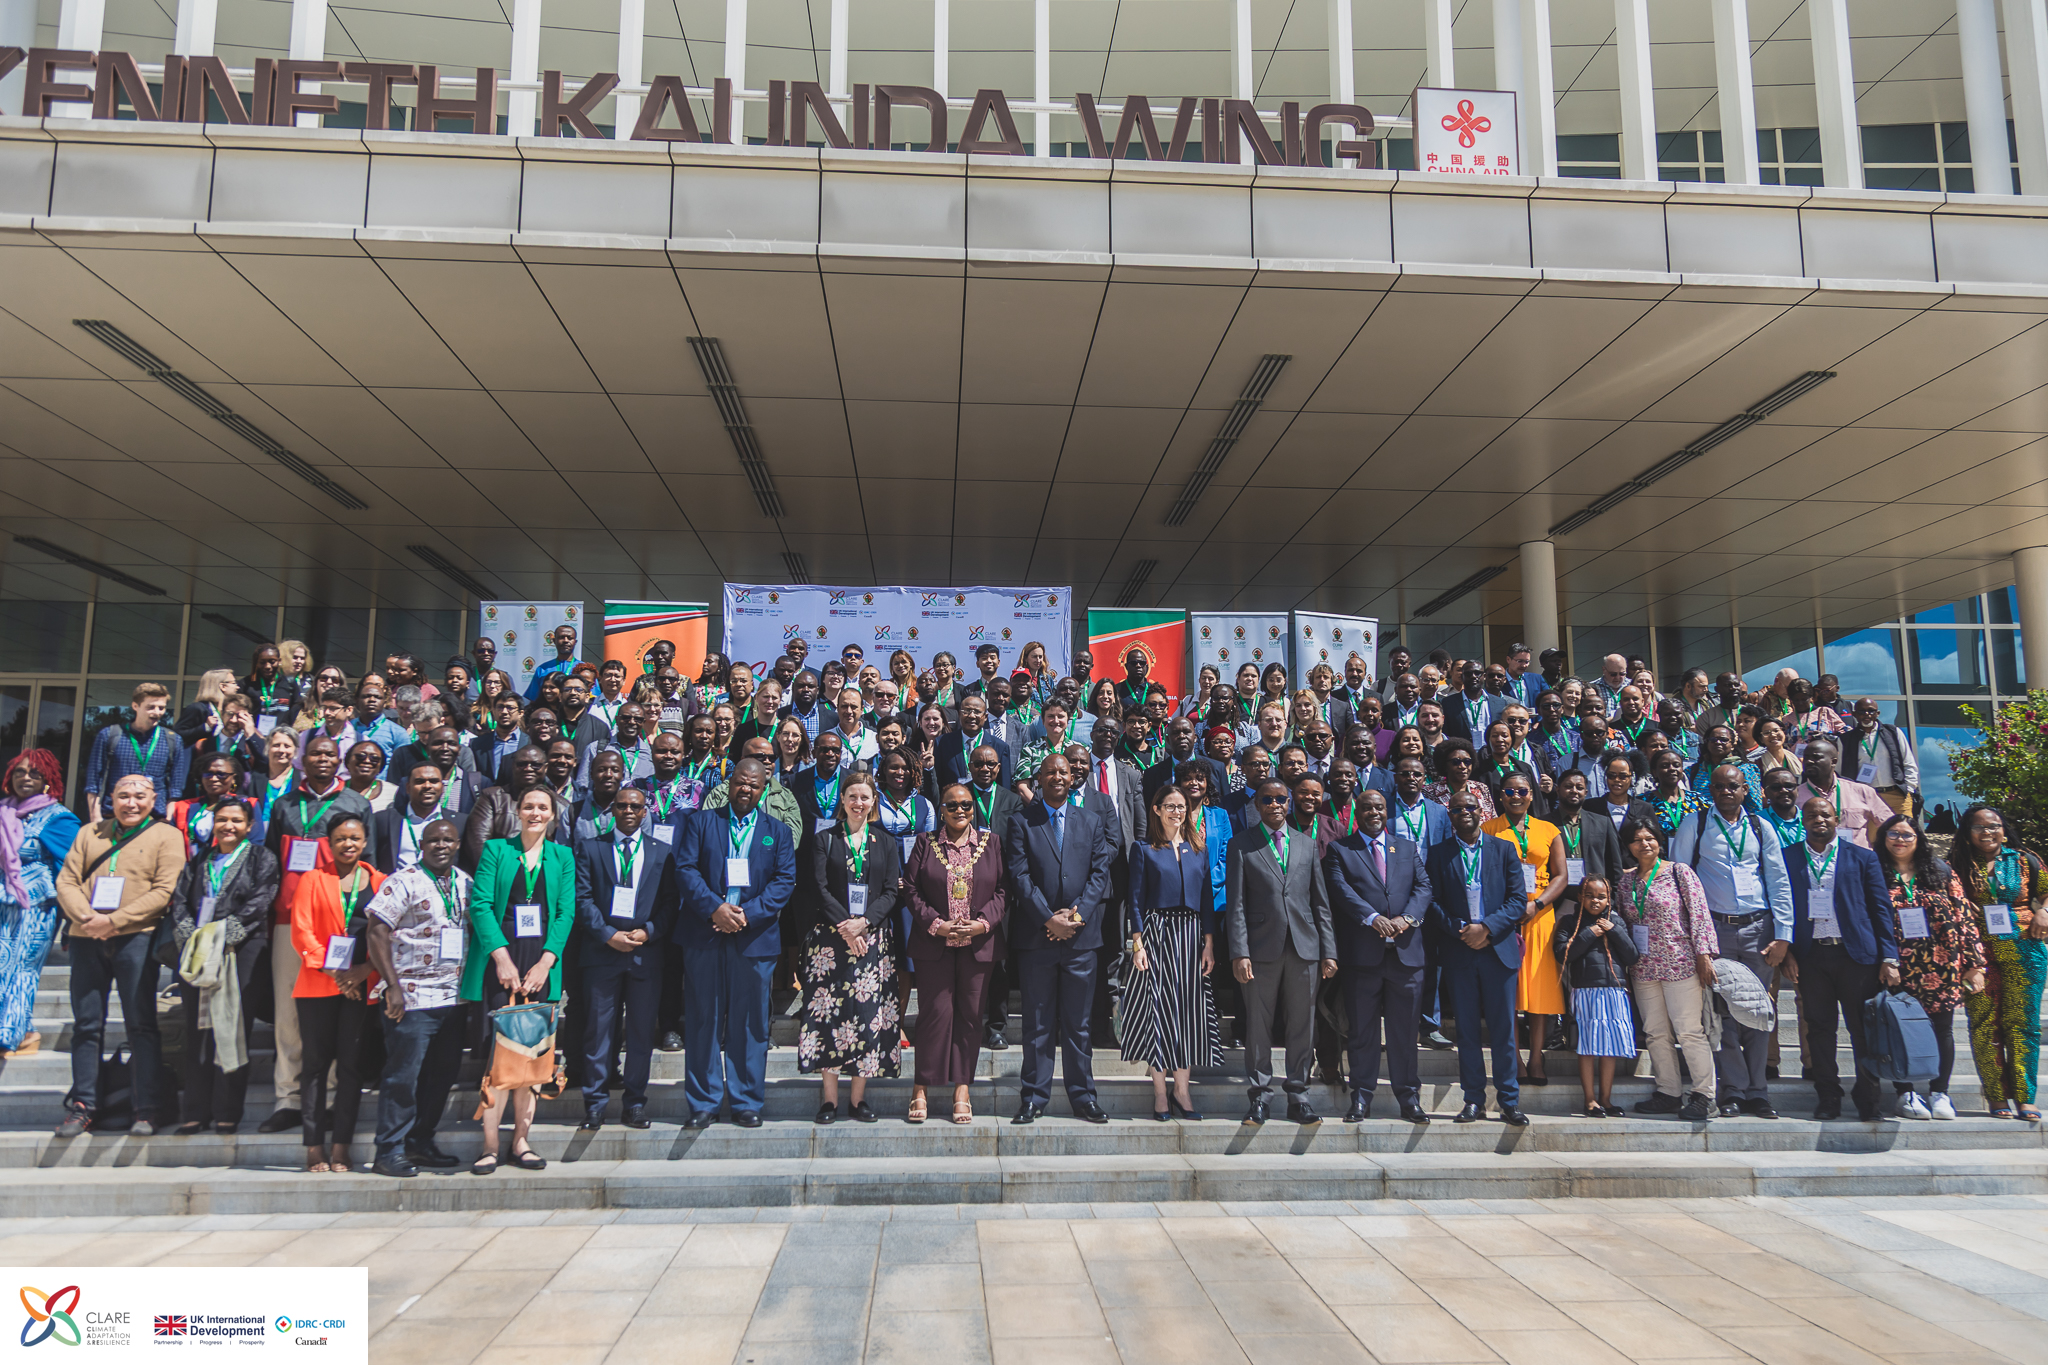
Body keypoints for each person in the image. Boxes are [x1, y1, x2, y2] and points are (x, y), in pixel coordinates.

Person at [52, 773, 182, 1137]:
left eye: (140, 796)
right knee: (86, 1024)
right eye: (124, 795)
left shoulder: (167, 835)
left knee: (141, 1024)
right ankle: (84, 1106)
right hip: (86, 937)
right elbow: (66, 881)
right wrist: (88, 918)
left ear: (153, 800)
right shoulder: (89, 833)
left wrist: (114, 921)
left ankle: (146, 1109)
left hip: (135, 938)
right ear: (111, 798)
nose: (131, 803)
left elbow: (164, 890)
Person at [674, 759, 796, 1128]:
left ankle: (746, 1100)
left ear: (763, 790)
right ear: (729, 784)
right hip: (705, 933)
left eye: (754, 785)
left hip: (754, 939)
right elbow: (685, 869)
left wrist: (747, 914)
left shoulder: (778, 831)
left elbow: (784, 881)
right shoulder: (701, 822)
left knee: (750, 1024)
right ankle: (704, 1102)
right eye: (741, 782)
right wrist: (714, 908)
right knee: (703, 1020)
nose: (746, 789)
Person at [1670, 764, 1796, 1118]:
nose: (1726, 791)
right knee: (1722, 1013)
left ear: (1745, 790)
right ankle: (1733, 1091)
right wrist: (1693, 939)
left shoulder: (1760, 826)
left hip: (1759, 929)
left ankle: (1758, 1092)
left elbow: (1779, 881)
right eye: (1719, 786)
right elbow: (1680, 880)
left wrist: (1783, 935)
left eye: (1733, 786)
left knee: (1758, 1010)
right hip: (1715, 930)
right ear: (1710, 790)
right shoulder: (1694, 824)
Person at [466, 788, 576, 1170]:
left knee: (534, 1058)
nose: (535, 812)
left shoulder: (562, 856)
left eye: (543, 807)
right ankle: (490, 1145)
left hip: (540, 965)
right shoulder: (497, 850)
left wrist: (546, 962)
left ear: (552, 814)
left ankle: (521, 1141)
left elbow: (565, 913)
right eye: (529, 806)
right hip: (503, 963)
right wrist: (501, 958)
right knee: (500, 1057)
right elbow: (480, 905)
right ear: (517, 811)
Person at [1005, 754, 1116, 1125]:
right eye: (1050, 771)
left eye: (1063, 771)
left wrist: (1076, 917)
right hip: (1037, 939)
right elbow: (1019, 875)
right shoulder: (1021, 821)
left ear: (1073, 778)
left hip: (1081, 941)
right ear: (1038, 778)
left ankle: (1083, 1097)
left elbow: (1099, 874)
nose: (1057, 776)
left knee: (1078, 1024)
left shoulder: (1092, 821)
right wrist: (1048, 918)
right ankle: (1034, 1097)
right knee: (1037, 1023)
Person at [362, 816, 472, 1177]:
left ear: (457, 845)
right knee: (403, 1077)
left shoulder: (465, 883)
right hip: (412, 998)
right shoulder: (403, 881)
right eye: (434, 840)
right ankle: (389, 1150)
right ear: (421, 845)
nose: (441, 846)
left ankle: (420, 1142)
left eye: (448, 840)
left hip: (453, 998)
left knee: (441, 1076)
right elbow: (376, 931)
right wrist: (392, 986)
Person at [1224, 779, 1337, 1126]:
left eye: (1280, 799)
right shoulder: (1241, 844)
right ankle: (1260, 1096)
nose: (1275, 805)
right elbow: (1236, 904)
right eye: (1267, 799)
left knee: (1302, 1024)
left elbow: (1320, 902)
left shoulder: (1306, 843)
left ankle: (1298, 1096)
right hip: (1260, 949)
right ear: (1257, 805)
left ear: (1289, 803)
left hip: (1305, 948)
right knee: (1258, 1026)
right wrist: (1239, 952)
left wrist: (1329, 951)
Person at [163, 797, 279, 1134]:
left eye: (236, 820)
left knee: (233, 1025)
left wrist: (225, 933)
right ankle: (195, 1110)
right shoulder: (201, 859)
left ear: (249, 825)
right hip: (199, 948)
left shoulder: (261, 858)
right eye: (222, 819)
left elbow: (262, 898)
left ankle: (228, 1110)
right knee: (197, 1027)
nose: (229, 826)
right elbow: (181, 900)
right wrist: (192, 933)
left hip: (242, 947)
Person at [1785, 797, 1900, 1121]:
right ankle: (1828, 1097)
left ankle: (1868, 1099)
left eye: (1825, 814)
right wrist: (1787, 952)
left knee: (1863, 1030)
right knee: (1819, 1029)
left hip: (1857, 957)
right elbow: (1781, 907)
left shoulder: (1863, 857)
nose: (1819, 819)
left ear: (1836, 819)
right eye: (1811, 815)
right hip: (1811, 955)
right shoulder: (1788, 857)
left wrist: (1889, 956)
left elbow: (1880, 909)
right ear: (1803, 821)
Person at [799, 770, 904, 1122]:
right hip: (830, 942)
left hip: (872, 940)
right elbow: (818, 887)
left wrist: (864, 923)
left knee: (866, 1017)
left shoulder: (884, 841)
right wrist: (847, 926)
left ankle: (858, 1099)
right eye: (852, 796)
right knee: (828, 1016)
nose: (859, 803)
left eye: (865, 797)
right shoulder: (825, 839)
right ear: (842, 800)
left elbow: (891, 890)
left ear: (874, 802)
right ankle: (829, 1099)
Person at [1322, 787, 1431, 1123]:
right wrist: (1371, 918)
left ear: (1387, 812)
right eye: (1367, 808)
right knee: (1362, 1033)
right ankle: (1361, 1097)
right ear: (1358, 813)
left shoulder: (1406, 847)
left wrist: (1407, 918)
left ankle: (1409, 1098)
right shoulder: (1341, 849)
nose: (1374, 813)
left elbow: (1424, 887)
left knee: (1404, 1034)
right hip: (1362, 957)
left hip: (1406, 957)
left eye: (1379, 807)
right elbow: (1339, 889)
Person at [572, 787, 676, 1131]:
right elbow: (582, 899)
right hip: (602, 953)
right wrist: (607, 934)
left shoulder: (662, 852)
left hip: (646, 954)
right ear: (612, 811)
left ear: (645, 812)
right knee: (598, 1033)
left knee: (641, 1033)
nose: (629, 811)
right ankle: (595, 1105)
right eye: (622, 806)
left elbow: (670, 902)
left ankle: (634, 1103)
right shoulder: (591, 848)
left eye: (635, 806)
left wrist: (649, 931)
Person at [1426, 789, 1529, 1125]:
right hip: (1460, 951)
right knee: (1468, 1032)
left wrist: (1486, 928)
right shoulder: (1438, 853)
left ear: (1481, 811)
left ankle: (1509, 1101)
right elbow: (1431, 901)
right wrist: (1462, 930)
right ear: (1450, 816)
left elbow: (1517, 900)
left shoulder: (1504, 849)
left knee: (1503, 1031)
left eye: (1470, 807)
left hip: (1498, 951)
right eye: (1457, 809)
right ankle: (1473, 1100)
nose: (1465, 813)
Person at [289, 815, 384, 1172]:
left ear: (365, 842)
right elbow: (302, 931)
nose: (348, 844)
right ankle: (314, 1145)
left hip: (362, 985)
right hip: (318, 984)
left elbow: (389, 934)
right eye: (341, 838)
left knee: (351, 1066)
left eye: (355, 838)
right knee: (314, 1065)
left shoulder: (380, 881)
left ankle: (341, 1144)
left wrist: (364, 970)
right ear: (329, 843)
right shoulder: (312, 879)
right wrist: (336, 972)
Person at [1122, 783, 1222, 1121]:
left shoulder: (1199, 849)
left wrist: (1209, 943)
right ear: (1157, 809)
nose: (1176, 812)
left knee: (1188, 1014)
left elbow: (1206, 900)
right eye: (1170, 806)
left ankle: (1183, 1091)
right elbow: (1135, 899)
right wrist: (1138, 943)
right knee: (1157, 1013)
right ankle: (1161, 1094)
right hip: (1157, 933)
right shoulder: (1143, 849)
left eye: (1181, 806)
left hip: (1191, 936)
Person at [1876, 813, 1986, 1120]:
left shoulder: (1940, 870)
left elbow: (1964, 917)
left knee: (1942, 1029)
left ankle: (1939, 1092)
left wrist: (1974, 964)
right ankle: (1905, 1093)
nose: (1900, 840)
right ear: (1883, 838)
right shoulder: (1874, 871)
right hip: (1895, 965)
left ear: (1918, 838)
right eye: (1893, 834)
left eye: (1907, 835)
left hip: (1941, 963)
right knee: (1898, 1027)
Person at [1614, 816, 1719, 1122]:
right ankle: (1668, 1092)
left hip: (1680, 963)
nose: (1644, 844)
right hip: (1643, 968)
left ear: (1660, 841)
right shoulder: (1626, 882)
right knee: (1655, 1033)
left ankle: (1705, 1095)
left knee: (1689, 1031)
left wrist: (1704, 954)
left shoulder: (1678, 872)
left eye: (1649, 838)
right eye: (1637, 840)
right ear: (1629, 846)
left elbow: (1699, 913)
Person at [1949, 804, 2048, 1121]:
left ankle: (2025, 1097)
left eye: (1994, 825)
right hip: (1978, 956)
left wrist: (2044, 912)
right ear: (1967, 833)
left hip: (2026, 952)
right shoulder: (1956, 864)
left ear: (2004, 830)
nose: (1987, 831)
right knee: (1983, 1025)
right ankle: (1995, 1096)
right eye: (1979, 826)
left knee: (2024, 1025)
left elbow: (2046, 892)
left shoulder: (2025, 860)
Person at [1486, 774, 1567, 1084]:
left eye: (1522, 790)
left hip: (1539, 915)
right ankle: (1515, 1059)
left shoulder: (1549, 830)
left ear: (1531, 795)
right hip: (1504, 918)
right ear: (1501, 795)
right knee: (1509, 990)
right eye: (1509, 791)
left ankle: (1536, 1058)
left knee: (1538, 991)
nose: (1515, 796)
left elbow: (1561, 875)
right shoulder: (1489, 829)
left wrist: (1538, 904)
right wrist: (1506, 911)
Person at [0, 750, 81, 1058]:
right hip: (1, 905)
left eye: (35, 773)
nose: (26, 778)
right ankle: (22, 1032)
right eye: (19, 772)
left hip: (34, 908)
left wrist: (73, 915)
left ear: (48, 781)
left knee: (21, 969)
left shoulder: (57, 818)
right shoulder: (3, 811)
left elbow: (75, 867)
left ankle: (11, 1036)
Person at [1554, 877, 1637, 1117]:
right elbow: (1562, 954)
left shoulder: (1616, 921)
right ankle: (1590, 1100)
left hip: (1615, 990)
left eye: (1601, 897)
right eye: (1589, 895)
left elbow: (1632, 956)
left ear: (1608, 899)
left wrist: (1614, 931)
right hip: (1586, 990)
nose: (1595, 901)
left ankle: (1606, 1100)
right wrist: (1590, 933)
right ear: (1580, 897)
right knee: (1588, 1046)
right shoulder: (1569, 922)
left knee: (1609, 1046)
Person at [83, 682, 188, 821]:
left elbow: (175, 787)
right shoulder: (110, 735)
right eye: (150, 707)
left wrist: (168, 817)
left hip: (154, 817)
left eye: (161, 708)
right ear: (135, 706)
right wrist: (95, 817)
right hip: (114, 815)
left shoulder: (173, 740)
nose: (157, 712)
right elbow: (93, 781)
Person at [1796, 736, 1888, 849]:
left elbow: (1890, 825)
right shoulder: (1795, 797)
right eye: (1806, 758)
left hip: (1856, 858)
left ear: (1833, 762)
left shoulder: (1862, 792)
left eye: (1816, 757)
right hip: (1814, 858)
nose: (1809, 761)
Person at [1847, 699, 1919, 817]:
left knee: (1903, 828)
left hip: (1897, 796)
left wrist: (1909, 790)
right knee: (1872, 830)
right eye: (1861, 711)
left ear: (1878, 713)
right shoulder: (1846, 740)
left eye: (1871, 711)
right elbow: (1840, 772)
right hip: (1866, 798)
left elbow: (1908, 762)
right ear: (1854, 714)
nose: (1867, 714)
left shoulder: (1893, 732)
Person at [522, 623, 581, 702]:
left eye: (570, 638)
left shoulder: (584, 669)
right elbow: (533, 698)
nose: (566, 641)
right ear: (554, 641)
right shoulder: (543, 669)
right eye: (561, 637)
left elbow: (593, 697)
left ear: (575, 642)